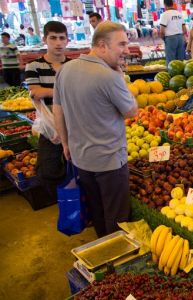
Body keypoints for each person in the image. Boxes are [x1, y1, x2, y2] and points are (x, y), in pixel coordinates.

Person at [53, 21, 137, 237]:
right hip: (110, 162)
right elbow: (131, 112)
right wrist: (120, 78)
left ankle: (104, 252)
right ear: (102, 45)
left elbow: (58, 109)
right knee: (117, 219)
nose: (126, 50)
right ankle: (118, 262)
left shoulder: (65, 70)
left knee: (98, 213)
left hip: (81, 159)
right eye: (121, 44)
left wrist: (65, 142)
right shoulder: (109, 76)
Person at [25, 21, 71, 203]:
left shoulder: (73, 65)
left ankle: (77, 203)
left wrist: (51, 92)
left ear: (67, 40)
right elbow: (35, 92)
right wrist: (63, 91)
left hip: (74, 124)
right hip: (50, 127)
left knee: (77, 167)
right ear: (45, 39)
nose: (58, 43)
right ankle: (61, 201)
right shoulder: (34, 66)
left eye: (62, 38)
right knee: (47, 169)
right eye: (53, 38)